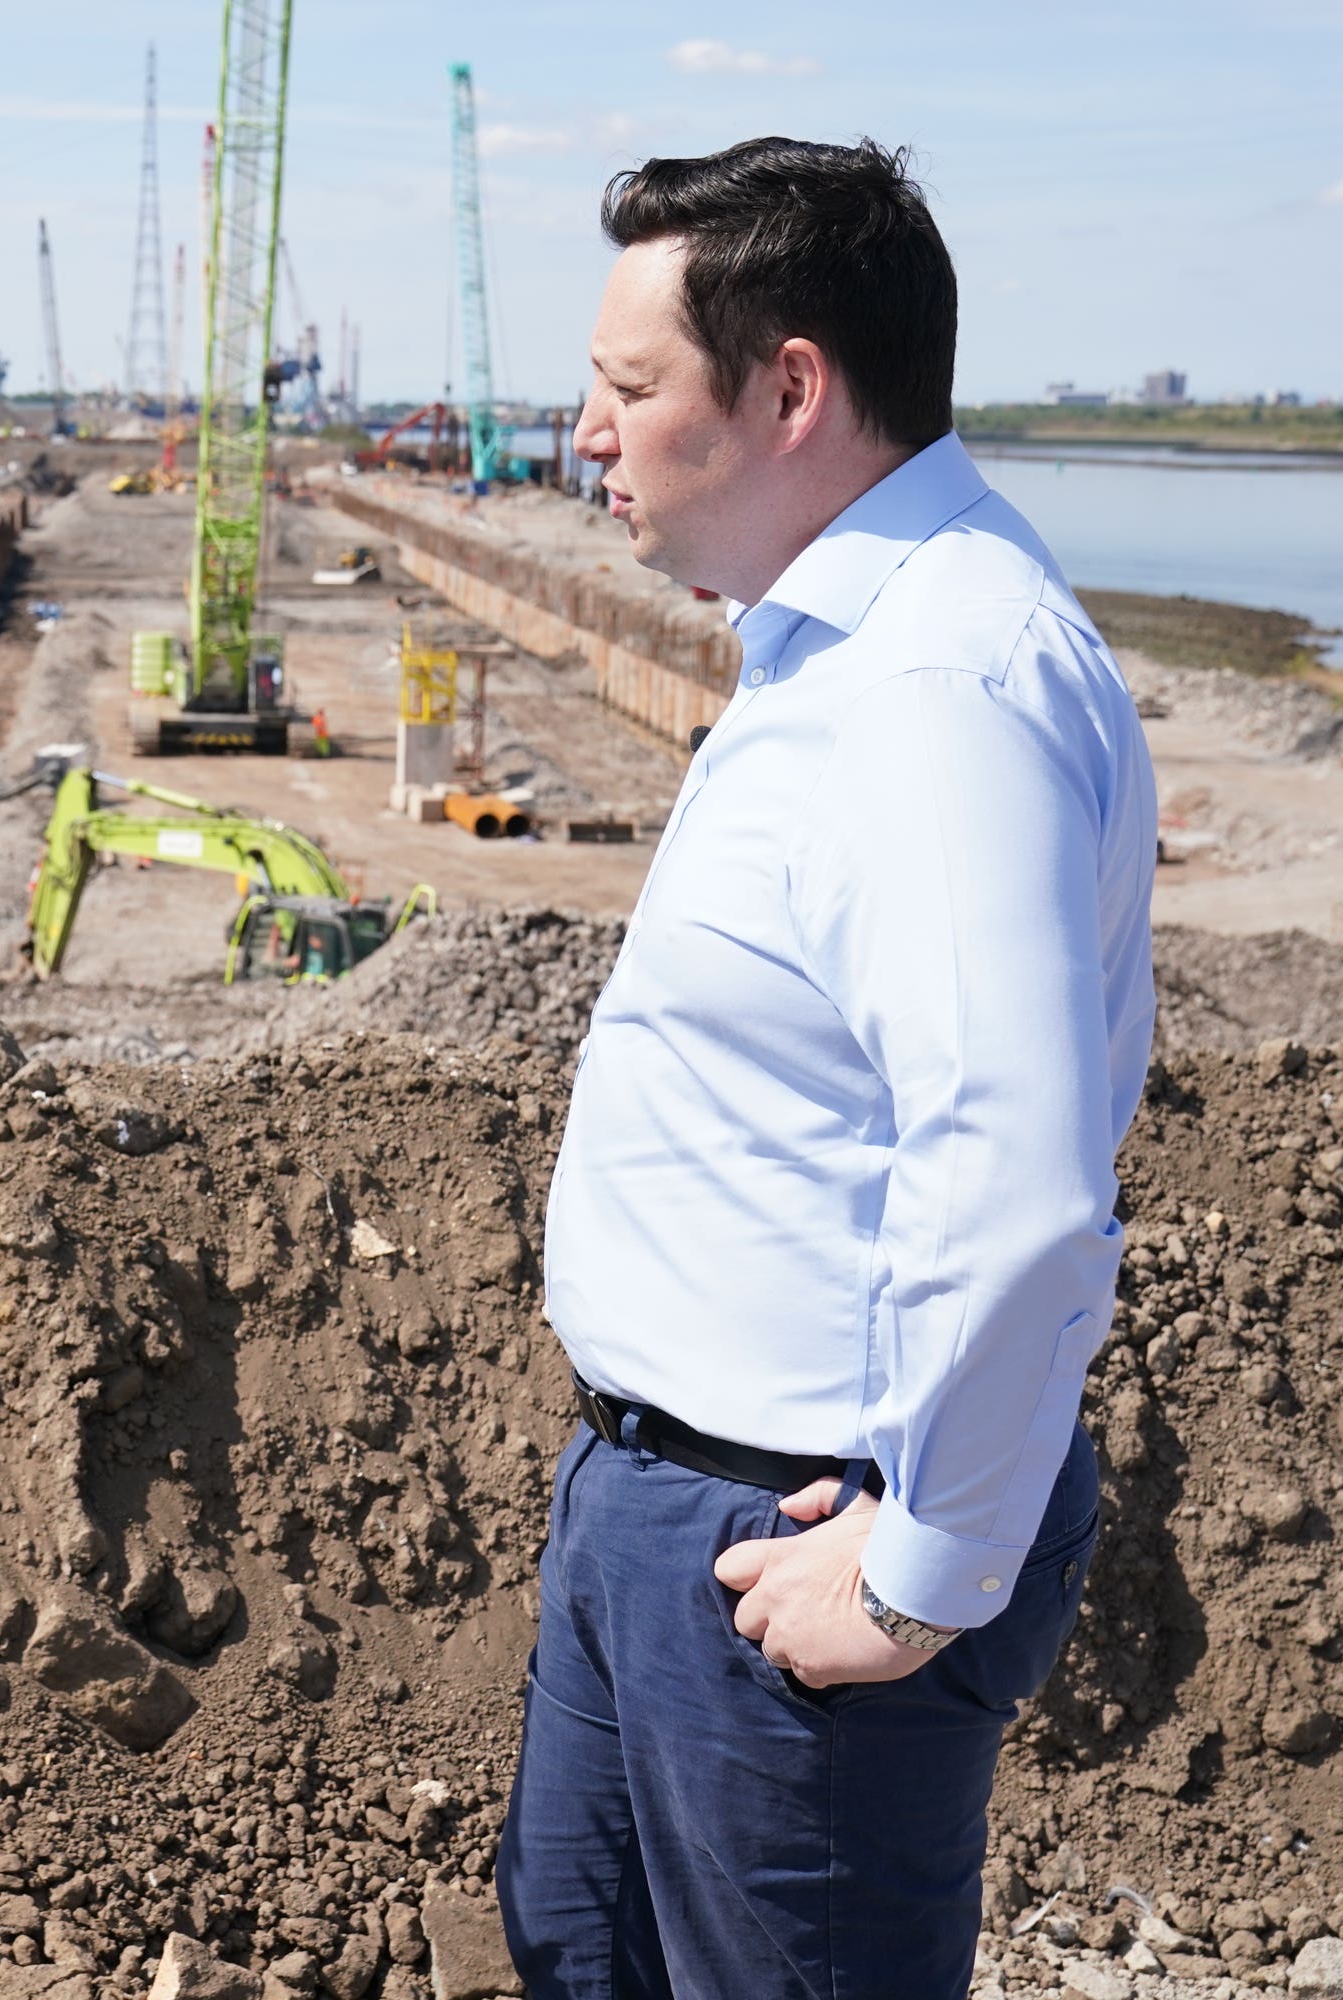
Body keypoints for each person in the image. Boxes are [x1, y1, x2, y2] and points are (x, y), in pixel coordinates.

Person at [494, 140, 1156, 1994]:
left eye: (630, 390)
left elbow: (1016, 1182)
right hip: (668, 1505)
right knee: (583, 1952)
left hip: (795, 1549)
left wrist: (920, 1571)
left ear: (791, 388)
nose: (585, 438)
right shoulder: (835, 654)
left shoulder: (937, 688)